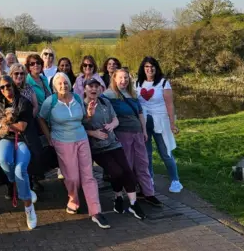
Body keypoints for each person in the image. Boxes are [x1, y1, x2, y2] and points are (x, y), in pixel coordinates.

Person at [38, 72, 110, 229]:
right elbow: (41, 118)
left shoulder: (77, 98)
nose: (63, 86)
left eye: (65, 83)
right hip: (62, 142)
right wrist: (48, 135)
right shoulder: (50, 102)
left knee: (88, 175)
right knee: (72, 178)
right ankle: (73, 200)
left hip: (81, 139)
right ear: (55, 86)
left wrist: (90, 114)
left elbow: (84, 120)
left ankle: (96, 211)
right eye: (60, 84)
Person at [82, 78, 146, 220]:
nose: (93, 89)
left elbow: (116, 119)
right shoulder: (81, 105)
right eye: (90, 86)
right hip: (97, 147)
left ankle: (133, 203)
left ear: (100, 89)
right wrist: (94, 133)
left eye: (96, 86)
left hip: (113, 143)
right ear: (85, 89)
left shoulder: (105, 102)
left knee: (127, 170)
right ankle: (117, 196)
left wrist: (112, 125)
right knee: (116, 172)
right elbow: (79, 127)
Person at [103, 68, 163, 206]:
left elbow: (140, 113)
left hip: (137, 132)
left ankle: (148, 193)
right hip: (122, 133)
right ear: (115, 79)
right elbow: (105, 113)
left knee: (143, 163)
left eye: (126, 78)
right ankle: (129, 193)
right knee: (127, 164)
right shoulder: (108, 95)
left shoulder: (132, 94)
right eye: (121, 78)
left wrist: (144, 131)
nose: (123, 81)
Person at [0, 75, 38, 229]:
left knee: (20, 168)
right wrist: (0, 126)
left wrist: (3, 126)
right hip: (4, 139)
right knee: (3, 159)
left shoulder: (23, 102)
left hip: (23, 139)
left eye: (8, 86)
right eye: (2, 87)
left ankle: (29, 208)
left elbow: (22, 127)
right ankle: (19, 184)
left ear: (13, 86)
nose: (5, 90)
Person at [136, 56, 183, 193]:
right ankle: (149, 178)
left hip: (160, 122)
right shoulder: (138, 83)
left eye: (152, 67)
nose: (149, 69)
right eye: (146, 67)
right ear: (143, 68)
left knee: (165, 152)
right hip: (144, 123)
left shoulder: (163, 83)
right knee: (147, 153)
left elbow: (170, 104)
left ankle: (175, 180)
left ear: (156, 68)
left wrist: (172, 124)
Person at [10, 63, 44, 192]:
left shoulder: (28, 88)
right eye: (16, 73)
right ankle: (13, 185)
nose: (19, 76)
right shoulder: (8, 88)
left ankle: (33, 179)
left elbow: (35, 105)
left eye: (22, 74)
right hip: (13, 126)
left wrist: (29, 118)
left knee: (35, 150)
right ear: (11, 75)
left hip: (29, 123)